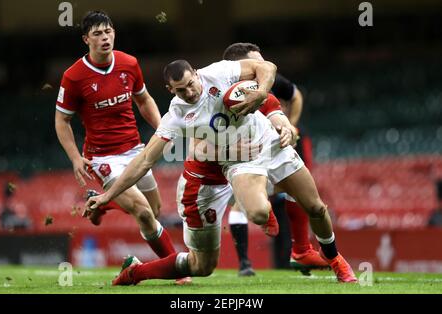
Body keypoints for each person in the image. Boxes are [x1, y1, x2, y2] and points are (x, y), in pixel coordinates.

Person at [86, 57, 357, 284]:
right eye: (181, 90)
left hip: (270, 143)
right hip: (240, 161)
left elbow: (268, 68)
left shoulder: (219, 72)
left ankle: (335, 259)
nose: (190, 92)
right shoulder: (177, 116)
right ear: (171, 90)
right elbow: (145, 160)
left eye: (191, 84)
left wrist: (265, 97)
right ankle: (137, 272)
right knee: (250, 221)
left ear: (196, 73)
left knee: (317, 208)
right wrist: (108, 196)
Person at [54, 11, 190, 284]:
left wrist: (164, 128)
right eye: (97, 34)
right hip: (103, 158)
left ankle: (102, 204)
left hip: (135, 150)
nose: (105, 38)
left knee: (154, 210)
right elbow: (62, 119)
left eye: (108, 32)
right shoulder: (74, 77)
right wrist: (74, 158)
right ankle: (179, 272)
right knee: (142, 211)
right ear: (86, 39)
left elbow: (144, 100)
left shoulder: (129, 64)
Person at [222, 43, 328, 275]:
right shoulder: (217, 90)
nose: (263, 67)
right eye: (255, 62)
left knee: (300, 195)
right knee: (244, 205)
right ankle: (244, 263)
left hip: (276, 142)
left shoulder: (269, 78)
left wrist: (291, 125)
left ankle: (301, 250)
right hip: (239, 153)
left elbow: (295, 95)